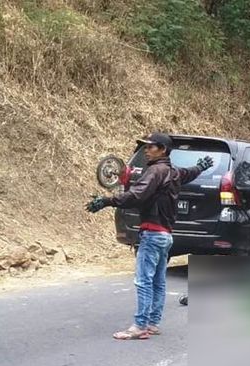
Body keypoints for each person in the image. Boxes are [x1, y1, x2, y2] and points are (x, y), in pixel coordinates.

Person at [86, 132, 213, 339]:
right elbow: (190, 173)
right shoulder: (173, 171)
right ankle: (153, 323)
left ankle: (140, 326)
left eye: (150, 146)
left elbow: (136, 195)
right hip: (166, 236)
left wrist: (107, 201)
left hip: (152, 234)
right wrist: (201, 166)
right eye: (145, 146)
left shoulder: (155, 171)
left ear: (162, 149)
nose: (146, 150)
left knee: (144, 280)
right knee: (158, 281)